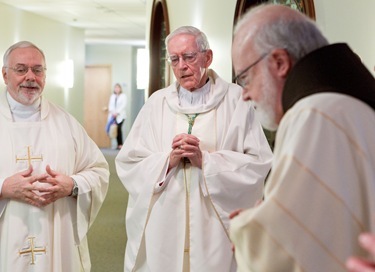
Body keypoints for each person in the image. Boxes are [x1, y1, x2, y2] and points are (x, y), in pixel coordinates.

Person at [229, 3, 375, 272]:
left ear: (280, 63)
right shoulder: (343, 100)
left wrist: (246, 227)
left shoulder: (315, 113)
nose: (244, 94)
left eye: (245, 77)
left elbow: (288, 247)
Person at [115, 26, 273, 272]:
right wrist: (168, 160)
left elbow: (259, 162)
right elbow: (129, 162)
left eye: (188, 57)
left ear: (207, 57)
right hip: (166, 218)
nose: (181, 66)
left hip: (214, 223)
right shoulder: (157, 103)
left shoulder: (237, 100)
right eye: (174, 59)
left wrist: (207, 162)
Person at [0, 41, 110, 271]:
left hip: (57, 235)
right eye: (21, 69)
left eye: (37, 70)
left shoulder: (66, 123)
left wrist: (72, 185)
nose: (30, 77)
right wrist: (2, 188)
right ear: (4, 74)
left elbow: (99, 171)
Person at [107, 83, 127, 149]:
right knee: (114, 129)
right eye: (115, 88)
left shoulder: (123, 96)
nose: (117, 89)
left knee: (119, 129)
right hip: (113, 116)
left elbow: (123, 105)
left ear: (120, 89)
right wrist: (113, 113)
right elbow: (110, 106)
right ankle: (117, 144)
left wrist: (117, 113)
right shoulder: (112, 96)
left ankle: (120, 144)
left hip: (121, 116)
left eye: (118, 88)